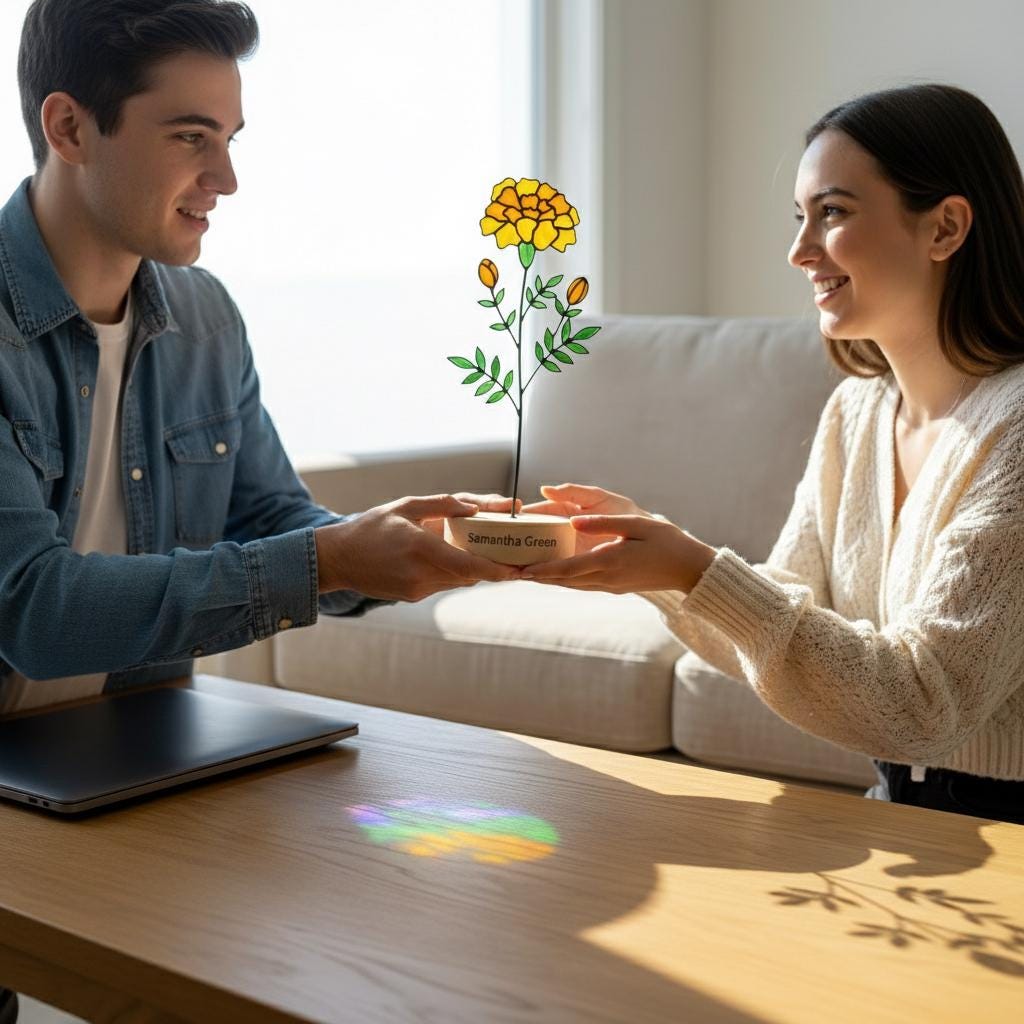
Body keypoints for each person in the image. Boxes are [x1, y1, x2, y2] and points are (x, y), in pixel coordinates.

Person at [521, 83, 1024, 825]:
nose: (799, 251)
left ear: (945, 227)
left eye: (834, 212)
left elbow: (922, 703)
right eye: (800, 217)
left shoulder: (1015, 433)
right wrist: (651, 564)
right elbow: (786, 616)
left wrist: (690, 568)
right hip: (900, 809)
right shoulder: (857, 413)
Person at [0, 0, 518, 716]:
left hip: (132, 740)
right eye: (191, 137)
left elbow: (267, 515)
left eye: (229, 139)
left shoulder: (205, 319)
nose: (227, 178)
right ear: (69, 128)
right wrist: (329, 561)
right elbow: (34, 611)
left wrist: (393, 544)